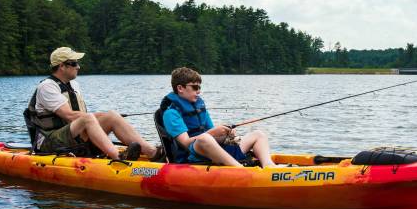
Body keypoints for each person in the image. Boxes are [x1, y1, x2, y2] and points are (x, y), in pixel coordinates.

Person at [24, 47, 163, 161]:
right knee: (88, 118)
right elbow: (69, 116)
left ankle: (154, 152)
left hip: (73, 137)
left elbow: (82, 118)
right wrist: (94, 117)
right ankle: (118, 157)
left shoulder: (74, 85)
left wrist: (104, 116)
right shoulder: (47, 86)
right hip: (50, 141)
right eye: (74, 63)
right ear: (61, 66)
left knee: (112, 116)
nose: (78, 67)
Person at [161, 67, 278, 167]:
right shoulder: (171, 113)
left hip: (214, 150)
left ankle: (269, 167)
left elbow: (213, 137)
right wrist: (212, 133)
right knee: (204, 138)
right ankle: (240, 169)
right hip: (193, 157)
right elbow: (186, 143)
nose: (199, 91)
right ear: (180, 88)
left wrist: (225, 135)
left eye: (199, 88)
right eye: (195, 87)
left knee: (258, 134)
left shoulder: (199, 107)